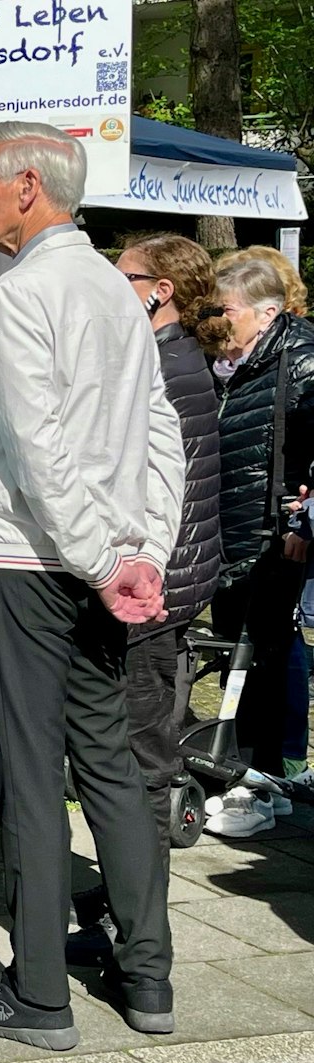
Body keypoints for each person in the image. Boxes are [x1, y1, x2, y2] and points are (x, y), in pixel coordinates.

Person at [0, 121, 184, 1050]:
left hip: (30, 559)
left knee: (31, 774)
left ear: (25, 185)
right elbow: (159, 431)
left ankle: (38, 994)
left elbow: (35, 446)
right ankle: (147, 970)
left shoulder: (19, 292)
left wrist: (103, 553)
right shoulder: (119, 295)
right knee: (110, 759)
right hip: (104, 557)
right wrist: (139, 548)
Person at [68, 233, 225, 960]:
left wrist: (134, 577)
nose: (109, 282)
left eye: (121, 273)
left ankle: (137, 936)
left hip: (153, 594)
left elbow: (166, 494)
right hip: (165, 585)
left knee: (138, 761)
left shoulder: (166, 368)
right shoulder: (173, 360)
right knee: (134, 753)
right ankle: (128, 900)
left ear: (158, 289)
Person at [201, 255, 314, 835]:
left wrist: (304, 521)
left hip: (273, 534)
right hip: (231, 529)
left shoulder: (301, 358)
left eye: (228, 310)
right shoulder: (234, 360)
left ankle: (261, 785)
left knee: (263, 655)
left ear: (268, 312)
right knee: (237, 654)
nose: (219, 320)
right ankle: (247, 774)